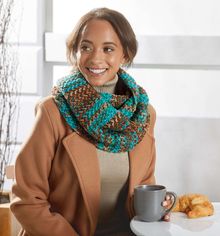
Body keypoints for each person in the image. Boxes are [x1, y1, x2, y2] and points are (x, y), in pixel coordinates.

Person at [10, 7, 171, 236]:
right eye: (85, 47)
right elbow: (26, 199)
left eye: (108, 49)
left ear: (124, 54)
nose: (96, 58)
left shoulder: (143, 115)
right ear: (74, 52)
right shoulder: (52, 112)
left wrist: (155, 211)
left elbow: (142, 185)